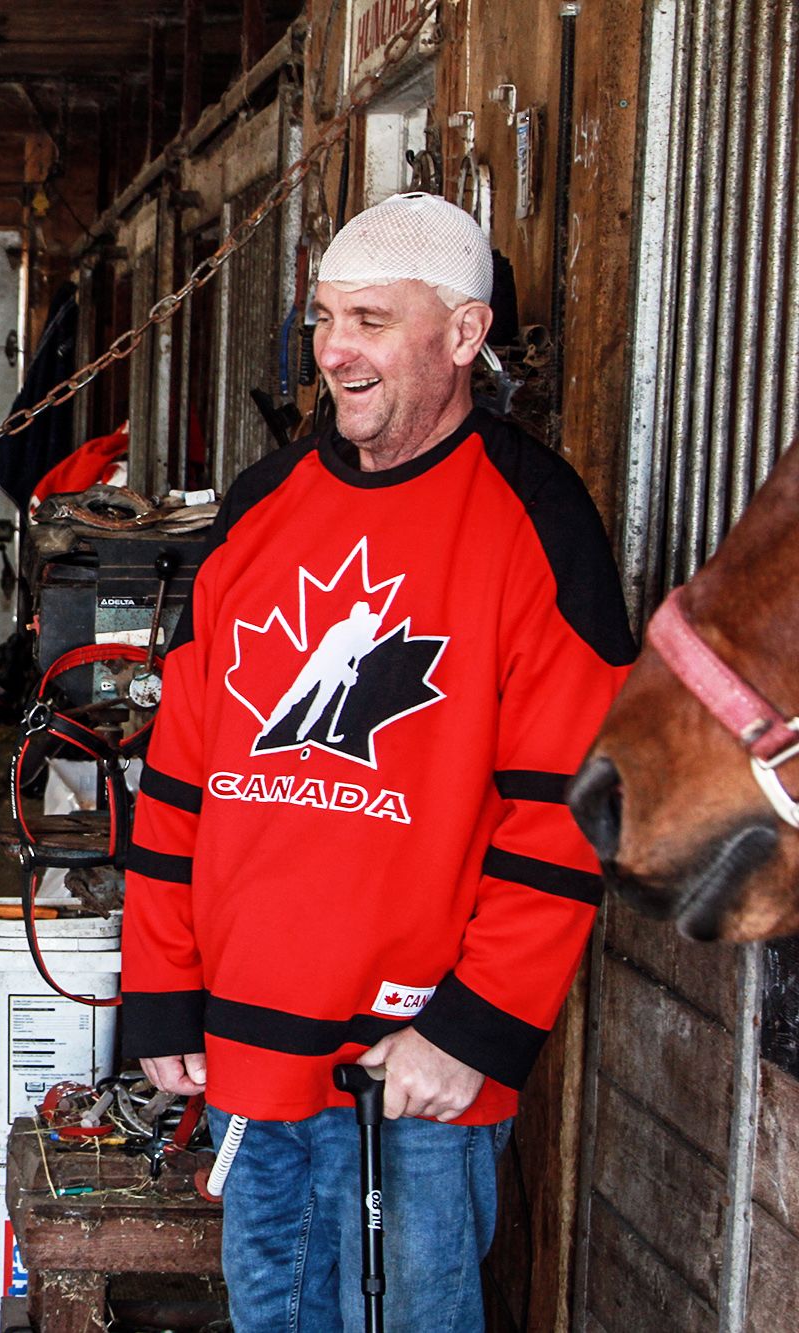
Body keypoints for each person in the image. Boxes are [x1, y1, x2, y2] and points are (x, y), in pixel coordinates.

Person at [118, 193, 636, 1331]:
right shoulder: (261, 506)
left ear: (463, 333)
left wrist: (476, 1026)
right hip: (246, 1056)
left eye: (369, 320)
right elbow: (180, 772)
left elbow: (569, 804)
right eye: (322, 318)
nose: (333, 351)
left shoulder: (536, 518)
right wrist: (158, 991)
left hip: (413, 1068)